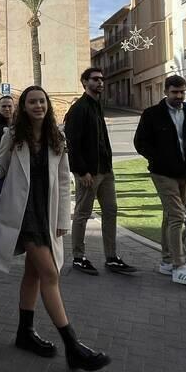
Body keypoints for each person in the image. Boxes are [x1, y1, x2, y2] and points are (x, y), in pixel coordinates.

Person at [0, 86, 110, 372]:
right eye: (32, 102)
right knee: (50, 274)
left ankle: (24, 332)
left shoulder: (57, 137)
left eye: (42, 101)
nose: (38, 106)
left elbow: (62, 182)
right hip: (24, 217)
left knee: (34, 274)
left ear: (48, 105)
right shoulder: (13, 136)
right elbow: (1, 166)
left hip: (47, 214)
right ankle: (72, 345)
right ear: (24, 107)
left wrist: (62, 221)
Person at [133, 75, 186, 286]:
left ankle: (166, 261)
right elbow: (140, 142)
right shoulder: (152, 115)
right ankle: (179, 266)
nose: (179, 96)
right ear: (165, 91)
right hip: (163, 173)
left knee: (169, 215)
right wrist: (158, 159)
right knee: (177, 215)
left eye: (182, 92)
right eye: (175, 92)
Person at [65, 67, 135, 277]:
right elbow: (73, 144)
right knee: (82, 214)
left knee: (111, 211)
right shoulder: (79, 109)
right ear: (84, 82)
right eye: (95, 79)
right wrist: (82, 171)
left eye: (102, 79)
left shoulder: (97, 106)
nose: (100, 82)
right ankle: (78, 257)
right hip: (89, 173)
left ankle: (111, 257)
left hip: (105, 170)